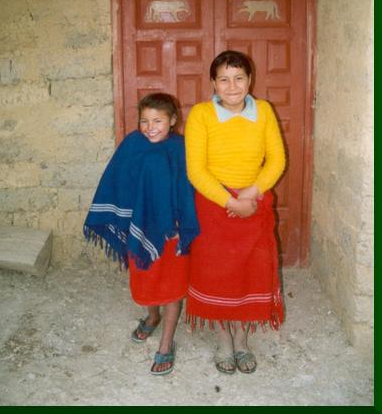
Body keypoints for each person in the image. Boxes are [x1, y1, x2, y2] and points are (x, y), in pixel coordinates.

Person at [184, 50, 286, 375]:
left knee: (251, 272)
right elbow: (196, 171)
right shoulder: (201, 115)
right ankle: (223, 341)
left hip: (254, 201)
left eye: (239, 78)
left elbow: (277, 160)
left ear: (250, 80)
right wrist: (231, 203)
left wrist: (252, 193)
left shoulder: (265, 111)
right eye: (224, 79)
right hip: (215, 206)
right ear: (213, 83)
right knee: (219, 274)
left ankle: (242, 340)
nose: (232, 86)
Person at [83, 93, 199, 376]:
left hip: (171, 233)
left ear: (172, 121)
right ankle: (152, 315)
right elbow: (116, 179)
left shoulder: (181, 148)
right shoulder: (132, 145)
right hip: (139, 229)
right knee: (145, 282)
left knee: (172, 287)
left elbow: (189, 189)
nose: (150, 127)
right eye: (144, 121)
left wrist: (180, 224)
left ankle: (166, 344)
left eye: (158, 120)